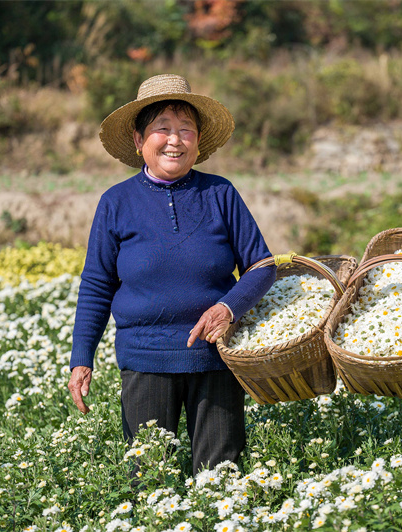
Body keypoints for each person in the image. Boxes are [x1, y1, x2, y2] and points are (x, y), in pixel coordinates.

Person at [67, 74, 275, 474]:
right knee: (148, 477)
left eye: (186, 130)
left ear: (198, 142)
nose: (175, 140)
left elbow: (262, 266)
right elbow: (96, 285)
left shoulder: (221, 194)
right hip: (146, 358)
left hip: (215, 356)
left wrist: (227, 309)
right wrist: (82, 358)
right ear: (138, 140)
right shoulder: (116, 203)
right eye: (163, 129)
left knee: (219, 477)